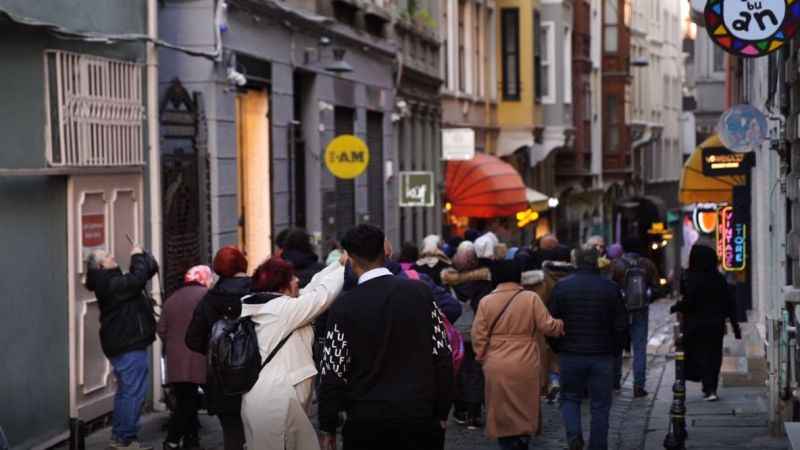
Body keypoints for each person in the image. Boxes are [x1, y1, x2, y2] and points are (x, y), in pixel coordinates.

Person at [318, 225, 454, 450]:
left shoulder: (344, 306)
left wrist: (328, 426)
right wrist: (442, 411)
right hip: (419, 418)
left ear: (350, 260)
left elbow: (333, 373)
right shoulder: (420, 293)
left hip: (366, 423)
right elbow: (442, 356)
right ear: (385, 252)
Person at [241, 254, 346, 450]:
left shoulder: (268, 306)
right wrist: (346, 266)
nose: (297, 280)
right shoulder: (282, 311)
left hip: (263, 398)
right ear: (281, 286)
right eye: (292, 278)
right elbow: (322, 296)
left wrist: (337, 264)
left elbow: (313, 288)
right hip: (276, 404)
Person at [471, 260, 565, 450]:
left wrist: (482, 356)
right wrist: (561, 325)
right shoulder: (530, 298)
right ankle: (522, 440)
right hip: (525, 359)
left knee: (501, 408)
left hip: (496, 361)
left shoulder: (486, 301)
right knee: (524, 403)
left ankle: (506, 442)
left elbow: (478, 336)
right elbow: (547, 326)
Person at [549, 245, 628, 450]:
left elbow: (552, 322)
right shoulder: (610, 288)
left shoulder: (562, 287)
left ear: (576, 261)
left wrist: (558, 347)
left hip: (570, 353)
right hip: (602, 355)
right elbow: (621, 324)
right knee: (600, 405)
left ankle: (574, 436)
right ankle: (598, 446)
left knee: (570, 398)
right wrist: (615, 350)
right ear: (596, 261)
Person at [85, 246, 160, 450]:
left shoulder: (112, 281)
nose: (113, 256)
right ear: (101, 265)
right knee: (133, 392)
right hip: (127, 344)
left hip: (123, 343)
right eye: (108, 256)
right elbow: (136, 281)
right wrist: (136, 256)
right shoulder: (110, 284)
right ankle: (126, 438)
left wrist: (144, 257)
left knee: (126, 391)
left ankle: (120, 437)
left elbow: (144, 273)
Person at [185, 246, 251, 450]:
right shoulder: (256, 291)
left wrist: (217, 349)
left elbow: (192, 339)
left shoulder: (209, 299)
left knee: (232, 434)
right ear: (242, 264)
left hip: (222, 379)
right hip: (255, 372)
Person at [671, 244, 741, 401]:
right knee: (714, 356)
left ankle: (704, 384)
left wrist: (675, 307)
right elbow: (729, 304)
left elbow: (688, 301)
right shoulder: (719, 279)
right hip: (715, 325)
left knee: (698, 355)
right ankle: (711, 388)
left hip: (695, 325)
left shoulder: (689, 278)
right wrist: (736, 327)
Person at [158, 266, 214, 450]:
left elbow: (161, 330)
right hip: (198, 356)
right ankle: (172, 440)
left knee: (185, 399)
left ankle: (191, 441)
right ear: (204, 278)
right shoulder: (206, 296)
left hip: (176, 359)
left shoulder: (172, 299)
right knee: (188, 403)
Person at [446, 241, 493, 429]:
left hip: (455, 334)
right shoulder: (483, 282)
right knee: (475, 373)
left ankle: (460, 410)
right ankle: (474, 414)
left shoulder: (448, 280)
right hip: (476, 332)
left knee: (457, 372)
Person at [521, 246, 575, 403]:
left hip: (541, 322)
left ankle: (548, 383)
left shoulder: (542, 279)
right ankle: (561, 382)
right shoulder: (573, 275)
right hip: (566, 320)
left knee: (544, 354)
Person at [610, 237, 659, 398]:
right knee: (640, 349)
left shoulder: (617, 265)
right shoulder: (648, 264)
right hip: (641, 310)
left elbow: (610, 288)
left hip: (620, 310)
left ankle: (615, 382)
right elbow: (657, 288)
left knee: (616, 346)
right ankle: (639, 386)